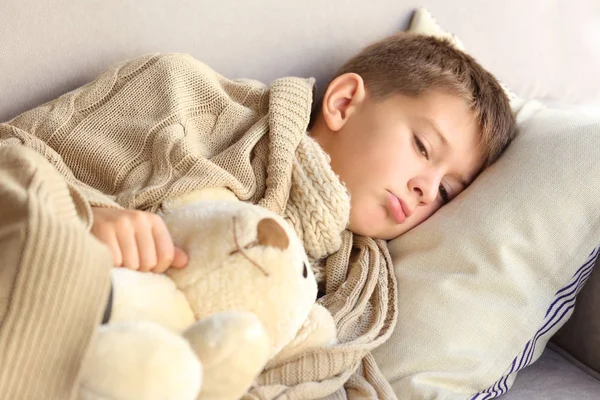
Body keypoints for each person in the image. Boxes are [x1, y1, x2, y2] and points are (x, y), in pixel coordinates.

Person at [0, 32, 516, 399]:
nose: (427, 188)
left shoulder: (359, 289)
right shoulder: (189, 98)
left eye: (448, 191)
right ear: (344, 102)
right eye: (423, 147)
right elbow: (15, 149)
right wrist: (91, 213)